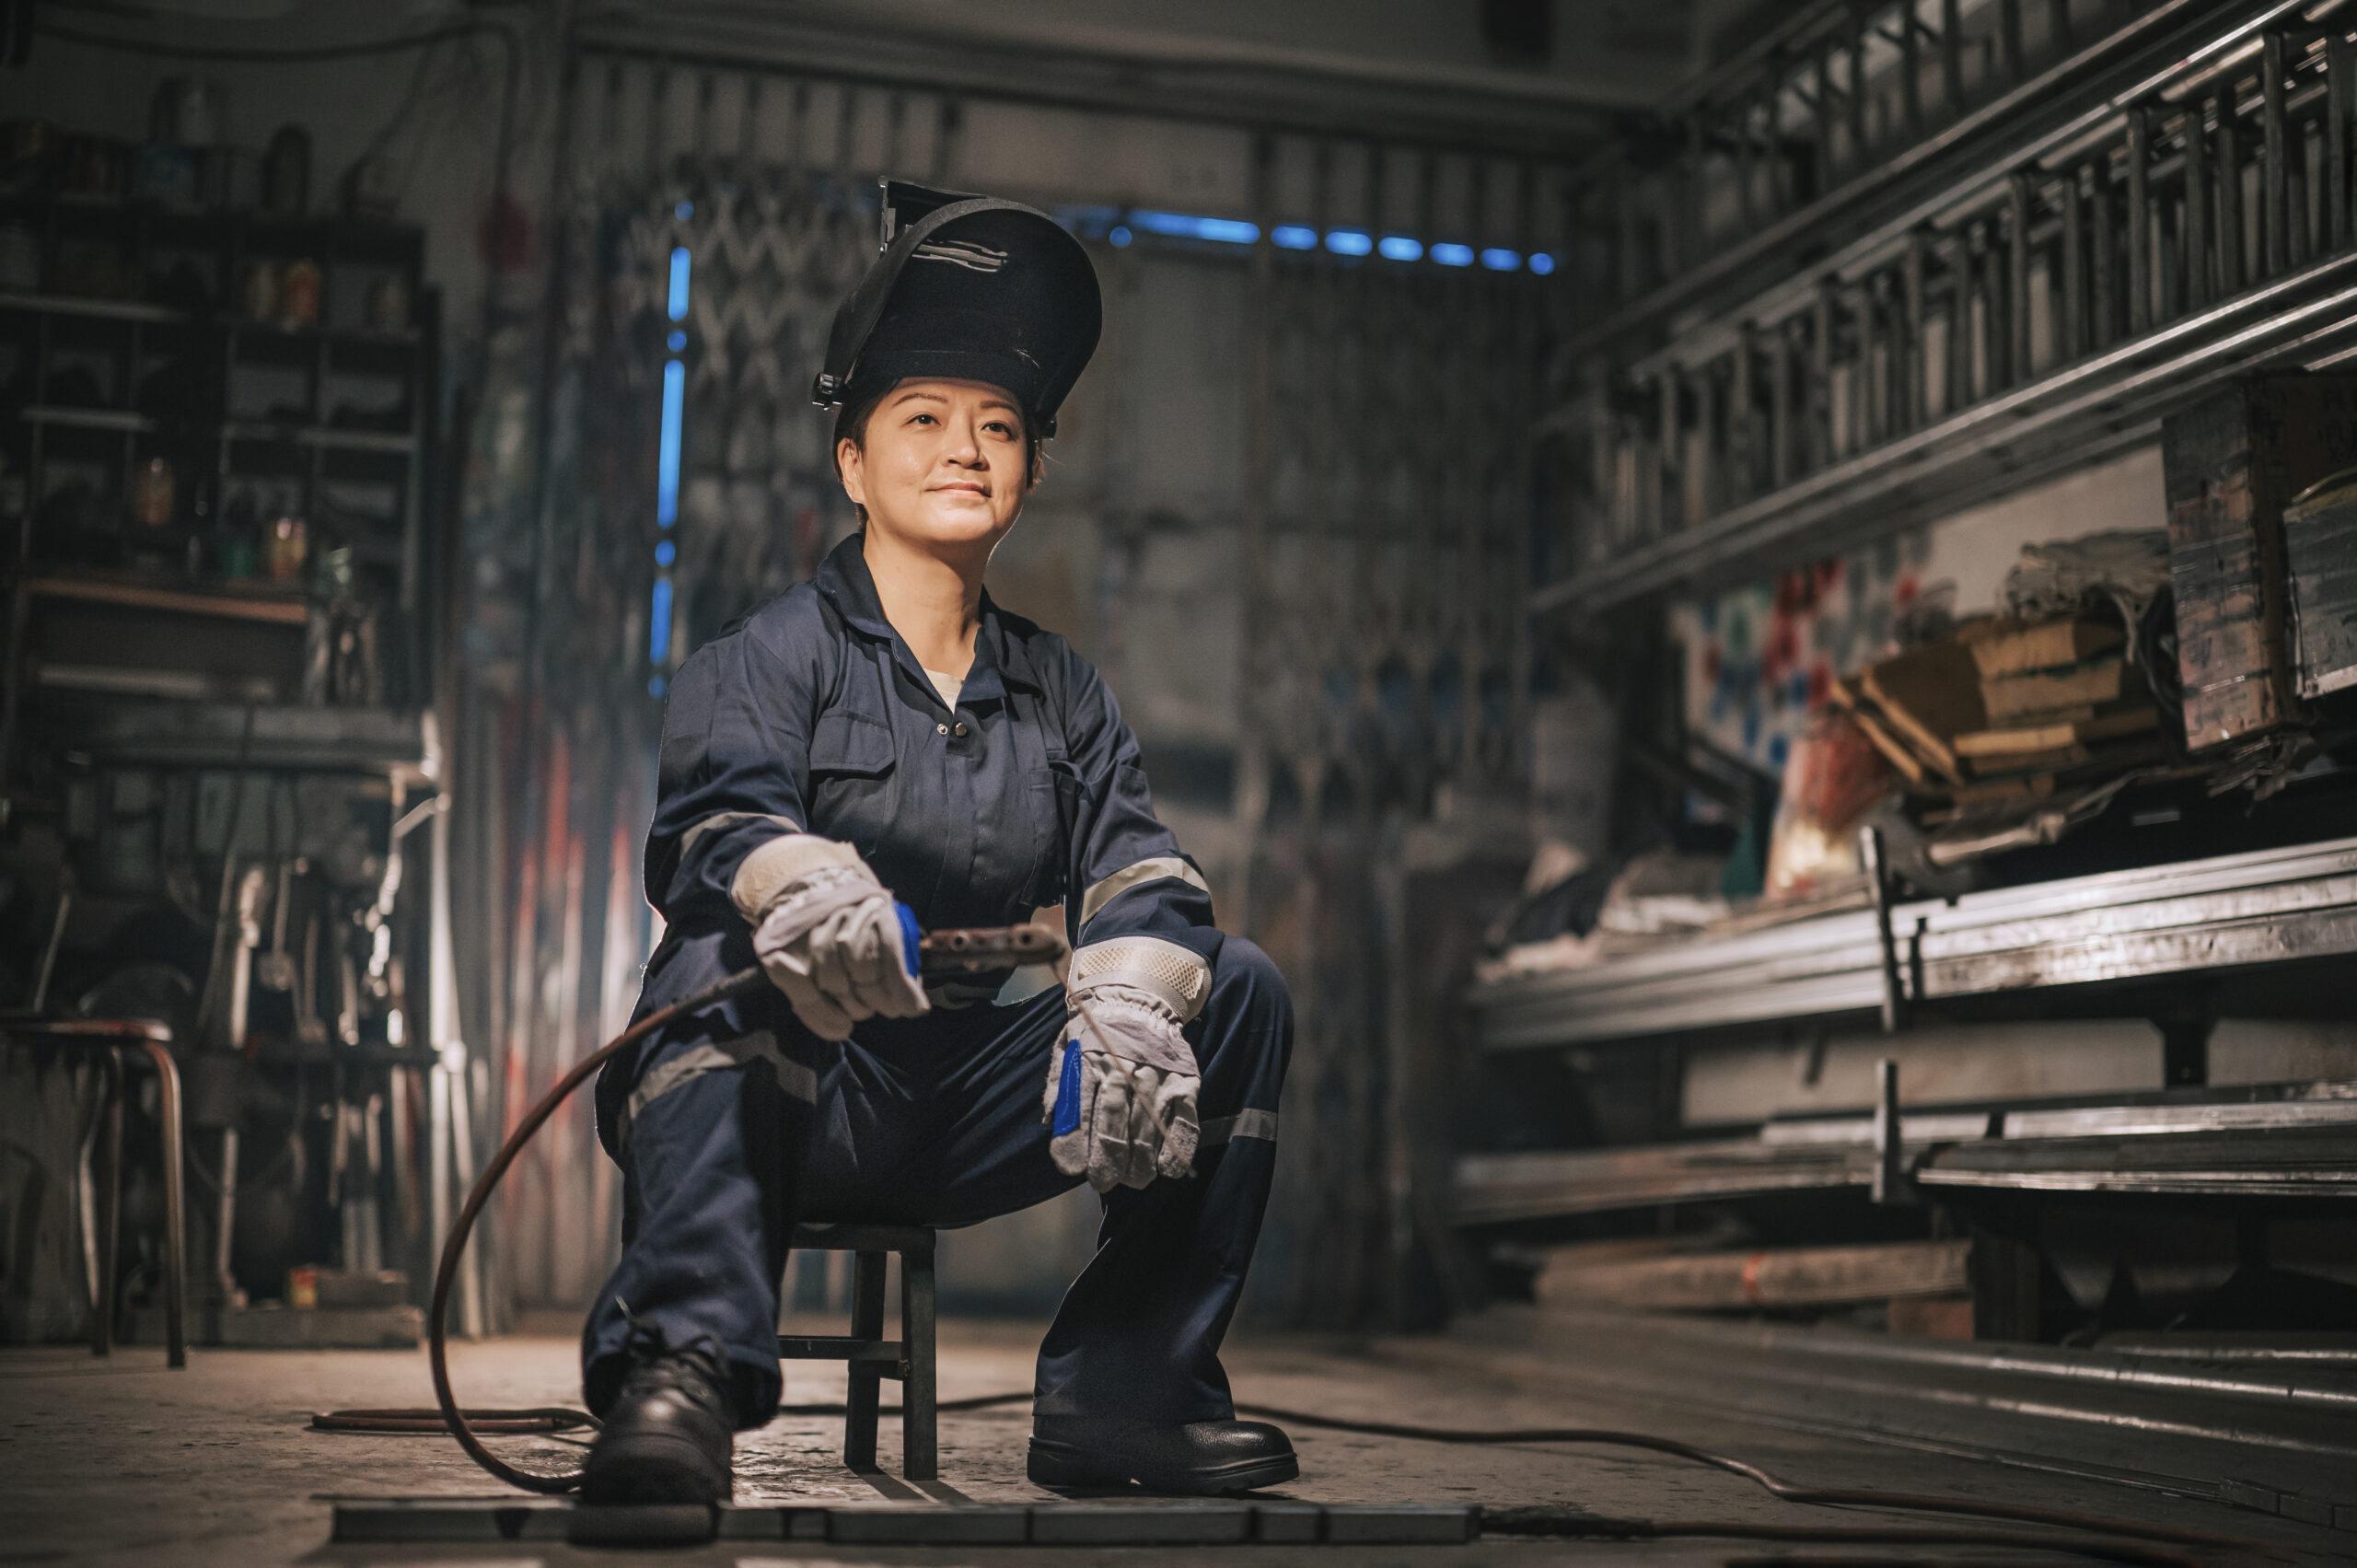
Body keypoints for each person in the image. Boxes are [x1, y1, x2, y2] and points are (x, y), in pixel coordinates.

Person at [577, 185, 1296, 1504]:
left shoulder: (1059, 690)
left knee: (1237, 987)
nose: (966, 448)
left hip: (972, 1100)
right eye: (923, 419)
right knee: (716, 961)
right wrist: (796, 891)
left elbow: (1139, 868)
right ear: (852, 462)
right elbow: (714, 823)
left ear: (1027, 470)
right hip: (800, 1094)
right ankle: (675, 1377)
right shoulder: (768, 658)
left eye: (999, 428)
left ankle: (1128, 1399)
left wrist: (1132, 1000)